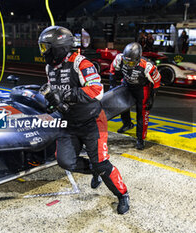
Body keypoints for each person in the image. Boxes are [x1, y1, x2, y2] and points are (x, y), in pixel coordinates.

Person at [38, 26, 129, 214]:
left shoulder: (81, 63)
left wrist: (67, 94)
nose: (43, 52)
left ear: (59, 46)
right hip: (68, 122)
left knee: (102, 164)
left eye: (45, 47)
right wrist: (52, 101)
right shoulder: (49, 67)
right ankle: (95, 171)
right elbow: (56, 94)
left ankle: (123, 194)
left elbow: (97, 90)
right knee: (65, 162)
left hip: (92, 122)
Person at [109, 42, 161, 150]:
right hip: (126, 84)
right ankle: (127, 124)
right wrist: (112, 86)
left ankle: (140, 139)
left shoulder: (147, 66)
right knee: (121, 105)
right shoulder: (119, 58)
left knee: (142, 114)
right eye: (127, 62)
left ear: (138, 59)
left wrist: (152, 98)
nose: (129, 65)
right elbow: (112, 71)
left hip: (142, 89)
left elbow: (156, 82)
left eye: (132, 63)